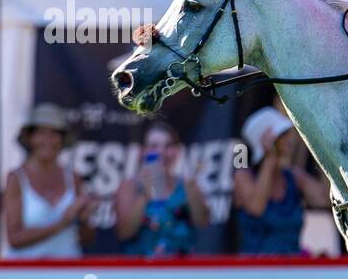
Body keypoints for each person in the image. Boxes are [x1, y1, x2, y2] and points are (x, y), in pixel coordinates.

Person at [234, 105, 331, 254]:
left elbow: (324, 199)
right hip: (254, 273)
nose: (290, 139)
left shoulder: (294, 176)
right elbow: (256, 207)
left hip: (292, 271)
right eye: (282, 135)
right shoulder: (243, 176)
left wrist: (323, 152)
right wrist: (270, 157)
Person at [2, 103, 94, 257]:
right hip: (25, 276)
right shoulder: (16, 179)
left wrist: (84, 220)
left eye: (54, 133)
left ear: (62, 139)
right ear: (30, 138)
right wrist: (62, 223)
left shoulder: (73, 178)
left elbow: (87, 238)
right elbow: (14, 239)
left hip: (67, 273)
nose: (48, 140)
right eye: (41, 132)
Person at [115, 119, 210, 256]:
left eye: (168, 146)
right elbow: (124, 232)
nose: (162, 152)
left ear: (177, 151)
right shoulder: (130, 186)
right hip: (141, 273)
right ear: (143, 151)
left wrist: (191, 187)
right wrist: (145, 197)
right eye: (154, 146)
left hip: (182, 272)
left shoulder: (186, 184)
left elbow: (202, 222)